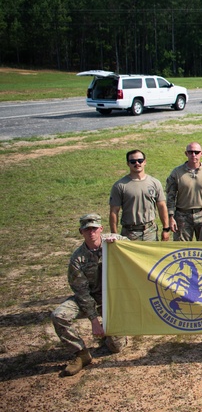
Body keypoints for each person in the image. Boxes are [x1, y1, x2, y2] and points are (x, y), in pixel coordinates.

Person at [51, 214, 126, 377]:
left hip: (113, 298)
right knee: (59, 316)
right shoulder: (77, 259)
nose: (91, 232)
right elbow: (82, 293)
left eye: (94, 228)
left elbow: (135, 249)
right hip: (90, 298)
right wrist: (94, 321)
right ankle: (81, 354)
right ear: (81, 232)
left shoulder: (112, 241)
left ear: (101, 229)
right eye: (87, 230)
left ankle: (111, 334)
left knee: (116, 348)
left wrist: (120, 242)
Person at [109, 148, 171, 241]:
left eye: (140, 160)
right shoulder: (120, 186)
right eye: (133, 161)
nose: (137, 163)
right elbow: (114, 211)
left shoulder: (155, 183)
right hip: (129, 233)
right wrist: (114, 234)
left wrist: (166, 229)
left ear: (145, 162)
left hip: (150, 231)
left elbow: (162, 206)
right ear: (128, 163)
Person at [165, 142, 202, 241]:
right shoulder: (176, 173)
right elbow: (170, 196)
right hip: (182, 216)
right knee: (182, 250)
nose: (193, 155)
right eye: (190, 152)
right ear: (186, 154)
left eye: (196, 152)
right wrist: (170, 216)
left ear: (201, 153)